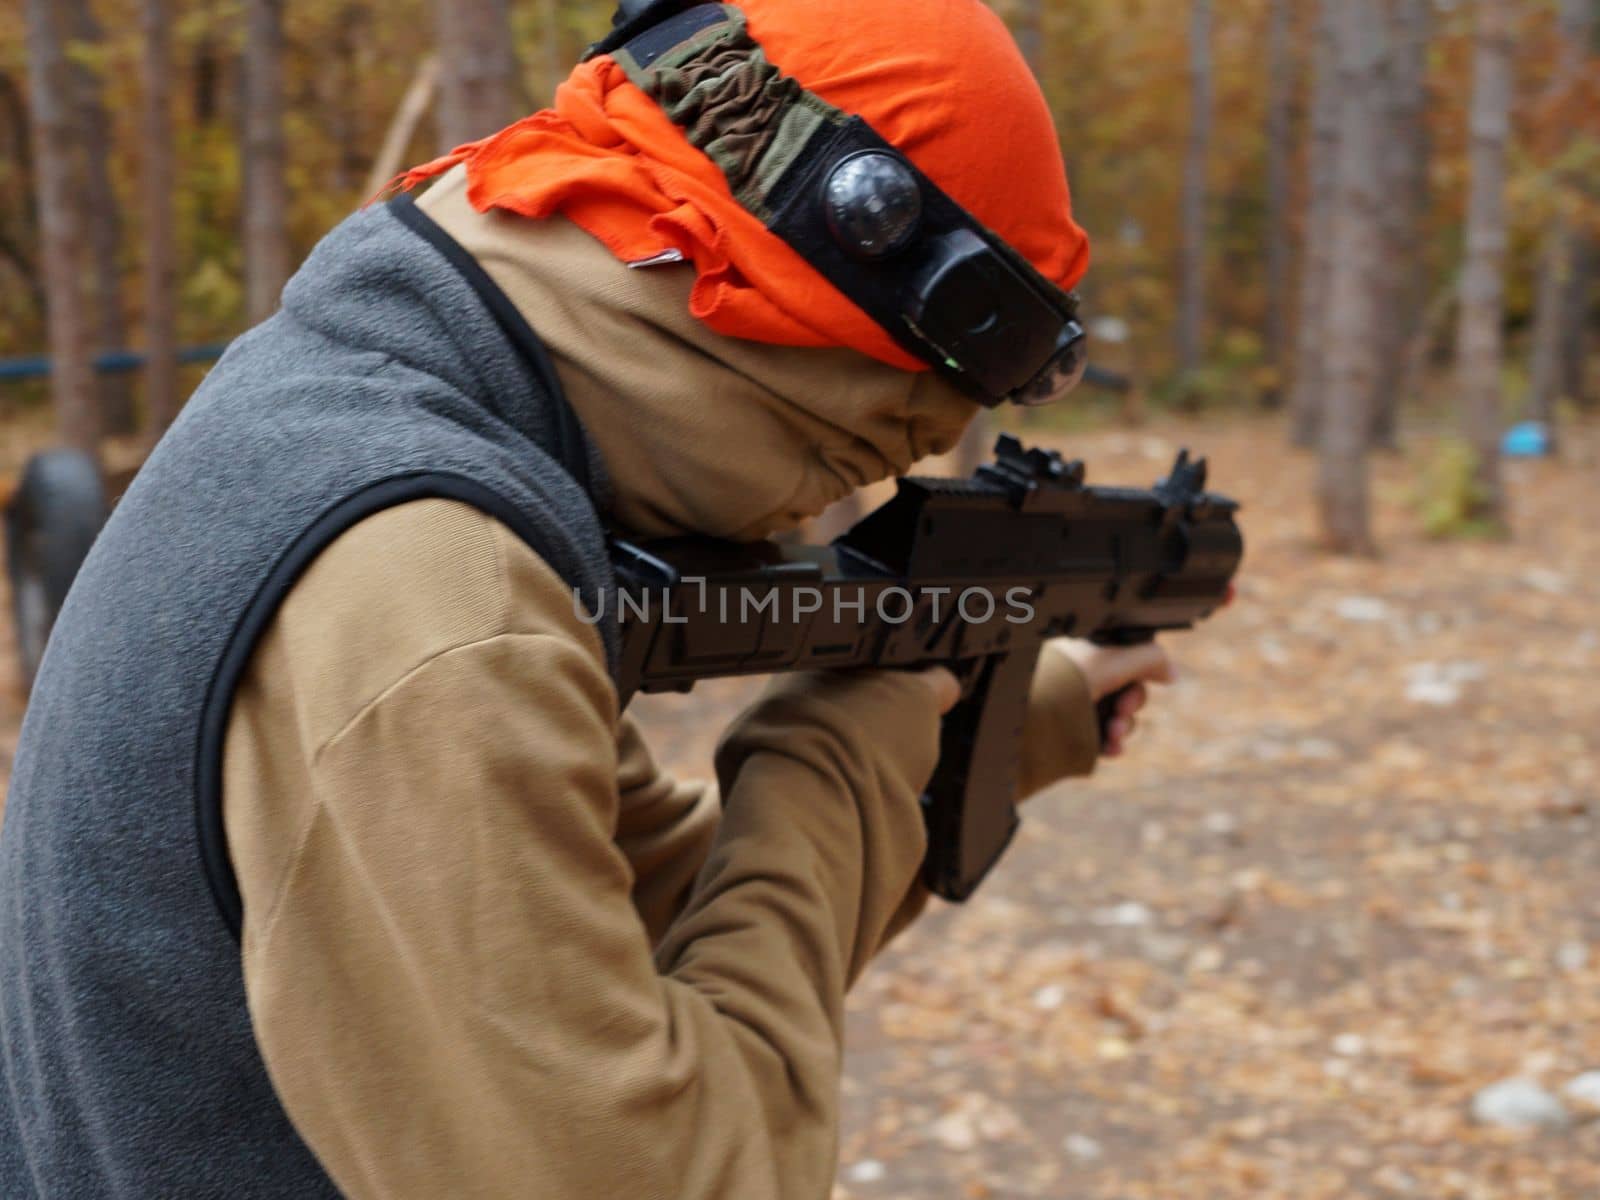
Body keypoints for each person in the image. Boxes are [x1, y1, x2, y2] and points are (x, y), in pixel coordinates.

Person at [0, 1, 1174, 1196]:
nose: (833, 502)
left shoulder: (348, 409)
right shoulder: (439, 599)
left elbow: (632, 912)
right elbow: (673, 1169)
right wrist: (841, 750)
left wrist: (1005, 724)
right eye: (854, 453)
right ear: (779, 333)